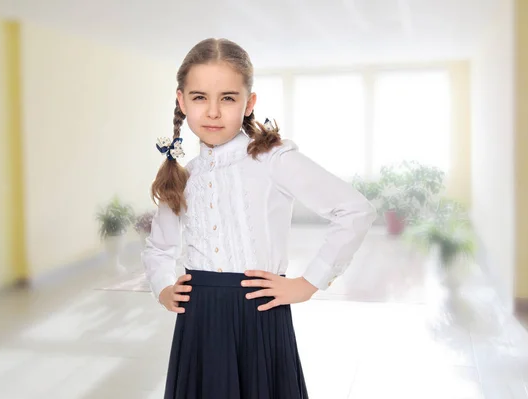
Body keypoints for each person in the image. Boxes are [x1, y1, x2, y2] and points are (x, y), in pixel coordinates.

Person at [141, 37, 376, 399]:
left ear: (249, 103)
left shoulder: (274, 160)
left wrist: (308, 282)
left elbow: (354, 210)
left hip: (259, 314)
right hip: (198, 321)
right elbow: (159, 248)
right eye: (200, 97)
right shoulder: (184, 175)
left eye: (228, 98)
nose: (213, 112)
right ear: (181, 101)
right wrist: (163, 288)